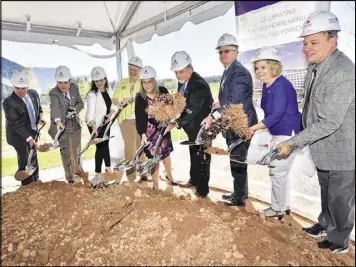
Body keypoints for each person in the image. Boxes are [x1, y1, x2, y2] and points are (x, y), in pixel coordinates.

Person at [277, 11, 355, 254]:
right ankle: (325, 224)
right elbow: (311, 105)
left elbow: (330, 122)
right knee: (326, 192)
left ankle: (339, 239)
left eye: (313, 42)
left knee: (340, 198)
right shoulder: (315, 67)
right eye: (305, 42)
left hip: (343, 147)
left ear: (333, 41)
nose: (306, 48)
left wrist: (293, 142)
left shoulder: (342, 72)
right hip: (321, 145)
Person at [202, 33, 258, 206]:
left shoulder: (239, 72)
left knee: (238, 160)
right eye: (220, 52)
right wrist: (220, 104)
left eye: (226, 51)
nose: (222, 55)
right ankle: (240, 192)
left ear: (236, 52)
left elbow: (234, 103)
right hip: (232, 122)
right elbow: (228, 99)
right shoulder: (228, 71)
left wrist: (213, 116)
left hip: (241, 125)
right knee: (236, 159)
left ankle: (239, 198)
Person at [245, 46, 301, 218]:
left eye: (263, 67)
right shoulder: (267, 85)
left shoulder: (280, 85)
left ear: (273, 66)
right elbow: (269, 114)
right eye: (257, 68)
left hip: (287, 133)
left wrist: (253, 128)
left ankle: (277, 210)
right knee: (281, 172)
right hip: (278, 132)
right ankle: (284, 205)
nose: (259, 71)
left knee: (277, 171)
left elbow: (276, 115)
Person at [169, 51, 214, 198]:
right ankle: (194, 180)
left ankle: (202, 190)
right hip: (192, 128)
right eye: (176, 72)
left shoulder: (198, 85)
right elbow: (180, 102)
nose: (179, 75)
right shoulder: (183, 82)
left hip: (203, 128)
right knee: (194, 154)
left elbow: (191, 109)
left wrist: (176, 123)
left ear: (190, 68)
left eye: (181, 71)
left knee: (203, 157)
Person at [135, 66, 177, 190]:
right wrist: (142, 134)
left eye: (149, 81)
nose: (147, 85)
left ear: (154, 80)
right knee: (154, 158)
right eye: (144, 82)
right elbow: (139, 118)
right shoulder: (140, 97)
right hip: (149, 132)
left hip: (164, 129)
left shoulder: (163, 91)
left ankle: (169, 176)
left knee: (166, 154)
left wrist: (171, 123)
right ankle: (155, 184)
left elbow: (172, 109)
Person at [3, 72, 45, 186]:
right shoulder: (8, 103)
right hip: (17, 135)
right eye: (17, 88)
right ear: (13, 86)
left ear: (27, 86)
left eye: (23, 88)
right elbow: (16, 124)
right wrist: (29, 139)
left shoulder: (33, 94)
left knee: (33, 154)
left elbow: (39, 109)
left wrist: (39, 118)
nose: (20, 91)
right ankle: (27, 185)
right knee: (25, 156)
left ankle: (35, 180)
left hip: (32, 130)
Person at [112, 56, 147, 182]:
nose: (132, 71)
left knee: (141, 146)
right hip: (125, 119)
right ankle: (131, 176)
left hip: (141, 119)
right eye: (130, 69)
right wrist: (120, 102)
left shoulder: (143, 82)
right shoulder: (122, 82)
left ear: (140, 70)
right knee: (130, 147)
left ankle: (143, 172)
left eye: (135, 70)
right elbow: (114, 98)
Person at [48, 65, 84, 184]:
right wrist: (58, 121)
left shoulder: (74, 87)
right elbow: (55, 108)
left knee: (75, 151)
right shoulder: (54, 93)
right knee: (66, 153)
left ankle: (77, 172)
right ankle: (69, 179)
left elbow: (81, 103)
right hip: (62, 128)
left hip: (75, 126)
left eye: (65, 82)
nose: (63, 85)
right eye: (60, 82)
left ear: (70, 81)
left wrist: (74, 110)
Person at [85, 66, 117, 182]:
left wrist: (110, 114)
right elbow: (90, 113)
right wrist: (93, 127)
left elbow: (113, 104)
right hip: (94, 123)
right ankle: (98, 173)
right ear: (93, 82)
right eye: (96, 81)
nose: (99, 83)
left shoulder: (109, 90)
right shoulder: (92, 95)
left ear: (105, 79)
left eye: (101, 80)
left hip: (105, 122)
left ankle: (108, 169)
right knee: (100, 147)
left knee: (105, 145)